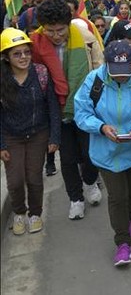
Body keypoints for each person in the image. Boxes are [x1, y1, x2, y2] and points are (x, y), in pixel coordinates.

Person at [74, 39, 131, 267]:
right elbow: (81, 113)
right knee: (118, 196)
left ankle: (130, 219)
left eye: (126, 72)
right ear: (106, 65)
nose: (121, 77)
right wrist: (101, 127)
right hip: (105, 151)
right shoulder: (93, 80)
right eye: (116, 72)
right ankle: (122, 243)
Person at [30, 0, 104, 220]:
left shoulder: (86, 38)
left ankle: (90, 182)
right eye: (50, 30)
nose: (55, 35)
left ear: (68, 23)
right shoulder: (34, 44)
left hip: (86, 107)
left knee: (90, 154)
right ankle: (76, 199)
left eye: (60, 29)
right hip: (56, 110)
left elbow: (100, 69)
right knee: (68, 158)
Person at [1, 28, 61, 235]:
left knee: (34, 177)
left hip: (38, 134)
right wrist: (1, 145)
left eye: (26, 52)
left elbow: (52, 106)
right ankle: (19, 213)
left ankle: (35, 213)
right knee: (15, 180)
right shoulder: (2, 79)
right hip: (11, 137)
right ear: (6, 57)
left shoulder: (42, 73)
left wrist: (55, 137)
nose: (23, 57)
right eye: (16, 53)